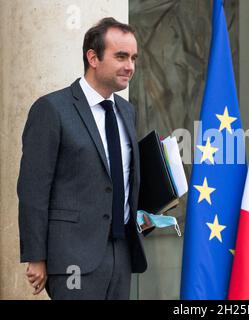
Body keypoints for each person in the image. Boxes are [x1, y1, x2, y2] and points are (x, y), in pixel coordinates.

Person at [17, 17, 152, 300]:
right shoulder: (52, 109)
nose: (130, 66)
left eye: (133, 58)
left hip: (122, 253)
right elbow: (33, 189)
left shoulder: (127, 111)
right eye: (121, 56)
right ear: (93, 57)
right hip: (72, 259)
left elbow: (123, 179)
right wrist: (36, 256)